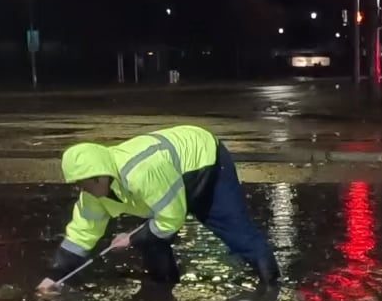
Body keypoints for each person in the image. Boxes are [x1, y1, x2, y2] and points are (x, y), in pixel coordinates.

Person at [37, 125, 280, 291]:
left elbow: (171, 220)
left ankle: (272, 287)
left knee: (236, 231)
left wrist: (131, 239)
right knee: (151, 240)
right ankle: (163, 289)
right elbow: (81, 236)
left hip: (205, 164)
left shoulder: (143, 173)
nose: (82, 190)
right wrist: (54, 276)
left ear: (101, 176)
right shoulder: (93, 193)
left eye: (84, 184)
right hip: (167, 181)